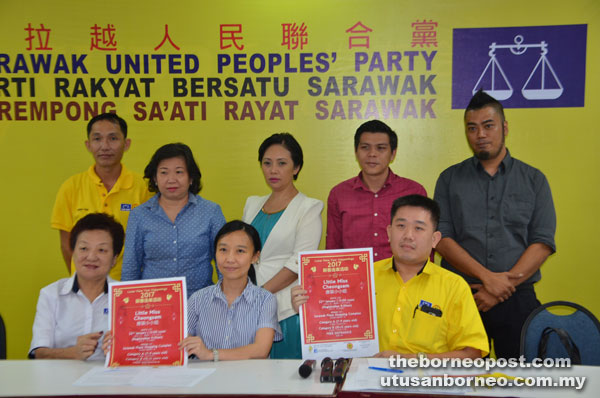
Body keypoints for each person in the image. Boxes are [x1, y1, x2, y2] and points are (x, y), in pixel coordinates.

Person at [434, 90, 556, 359]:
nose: (480, 135)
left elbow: (543, 242)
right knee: (455, 383)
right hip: (461, 296)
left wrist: (501, 289)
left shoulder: (534, 180)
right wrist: (489, 279)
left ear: (505, 127)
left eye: (488, 126)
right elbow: (442, 238)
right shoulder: (449, 179)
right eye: (472, 128)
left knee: (516, 383)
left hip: (517, 300)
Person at [293, 195, 489, 359]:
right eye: (401, 226)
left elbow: (471, 354)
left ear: (435, 239)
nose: (408, 235)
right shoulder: (360, 276)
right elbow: (334, 329)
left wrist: (411, 360)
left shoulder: (453, 286)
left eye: (419, 228)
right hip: (363, 381)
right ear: (389, 232)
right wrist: (308, 308)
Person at [242, 133, 323, 359]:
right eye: (267, 163)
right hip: (251, 308)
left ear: (296, 167)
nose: (273, 170)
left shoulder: (308, 208)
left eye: (282, 163)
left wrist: (260, 296)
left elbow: (299, 263)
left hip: (287, 308)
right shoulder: (252, 204)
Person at [50, 113, 151, 280]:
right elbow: (66, 245)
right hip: (86, 287)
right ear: (88, 145)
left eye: (113, 138)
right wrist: (83, 279)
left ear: (126, 144)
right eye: (97, 139)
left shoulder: (143, 188)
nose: (105, 146)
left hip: (128, 284)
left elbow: (150, 243)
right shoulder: (71, 187)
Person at [121, 143, 226, 297]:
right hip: (153, 305)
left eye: (179, 172)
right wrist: (127, 306)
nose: (171, 179)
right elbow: (131, 266)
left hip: (200, 302)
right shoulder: (139, 215)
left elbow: (224, 261)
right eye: (164, 172)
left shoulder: (211, 212)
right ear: (155, 178)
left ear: (191, 177)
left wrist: (228, 301)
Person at [178, 221, 282, 360]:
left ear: (255, 257)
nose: (230, 259)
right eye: (223, 250)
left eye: (240, 251)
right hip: (205, 379)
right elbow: (180, 345)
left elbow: (261, 350)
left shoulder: (265, 300)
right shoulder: (197, 299)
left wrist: (210, 354)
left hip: (250, 379)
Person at [326, 120, 426, 262]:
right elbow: (333, 249)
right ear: (356, 152)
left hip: (402, 279)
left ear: (393, 154)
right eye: (365, 147)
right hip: (354, 279)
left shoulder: (414, 191)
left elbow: (424, 246)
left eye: (381, 148)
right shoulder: (339, 194)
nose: (372, 154)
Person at [29, 213, 124, 360]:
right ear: (73, 252)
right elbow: (39, 354)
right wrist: (72, 353)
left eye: (102, 250)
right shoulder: (51, 294)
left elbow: (141, 352)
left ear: (114, 259)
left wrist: (122, 351)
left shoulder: (127, 296)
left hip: (111, 380)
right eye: (84, 248)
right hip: (59, 379)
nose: (91, 257)